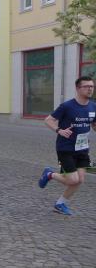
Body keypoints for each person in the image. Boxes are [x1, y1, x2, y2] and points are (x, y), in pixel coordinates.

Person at [38, 75, 96, 215]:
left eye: (92, 86)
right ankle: (50, 174)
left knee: (80, 180)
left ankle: (60, 204)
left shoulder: (93, 106)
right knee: (72, 180)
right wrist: (59, 130)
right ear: (78, 88)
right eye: (86, 86)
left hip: (83, 148)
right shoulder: (67, 106)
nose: (90, 89)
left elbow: (94, 124)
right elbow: (48, 120)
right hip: (66, 148)